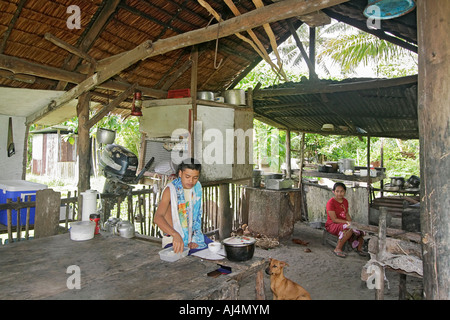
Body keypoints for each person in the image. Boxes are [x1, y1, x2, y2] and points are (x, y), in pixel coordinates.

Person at [154, 158, 211, 254]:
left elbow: (196, 217)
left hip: (193, 240)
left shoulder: (197, 188)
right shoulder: (170, 190)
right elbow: (157, 218)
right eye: (187, 176)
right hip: (173, 239)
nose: (191, 181)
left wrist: (194, 239)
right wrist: (175, 234)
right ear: (180, 173)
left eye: (195, 178)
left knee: (217, 255)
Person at [325, 182, 367, 258]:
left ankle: (359, 248)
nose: (339, 193)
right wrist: (348, 223)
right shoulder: (331, 202)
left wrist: (352, 223)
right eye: (337, 191)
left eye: (342, 191)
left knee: (359, 229)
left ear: (345, 192)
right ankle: (337, 249)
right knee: (348, 229)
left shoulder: (345, 201)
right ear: (333, 192)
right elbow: (334, 219)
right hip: (332, 224)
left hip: (343, 223)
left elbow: (346, 214)